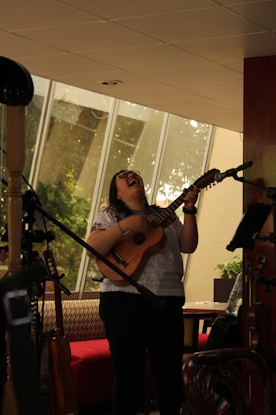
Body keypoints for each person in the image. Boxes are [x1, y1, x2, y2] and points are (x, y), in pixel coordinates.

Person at [86, 170, 199, 415]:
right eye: (124, 175)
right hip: (122, 301)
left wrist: (189, 210)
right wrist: (126, 225)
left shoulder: (165, 216)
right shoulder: (111, 215)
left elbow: (188, 245)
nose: (132, 175)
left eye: (136, 174)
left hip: (167, 301)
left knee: (169, 375)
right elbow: (92, 248)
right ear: (117, 192)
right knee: (127, 374)